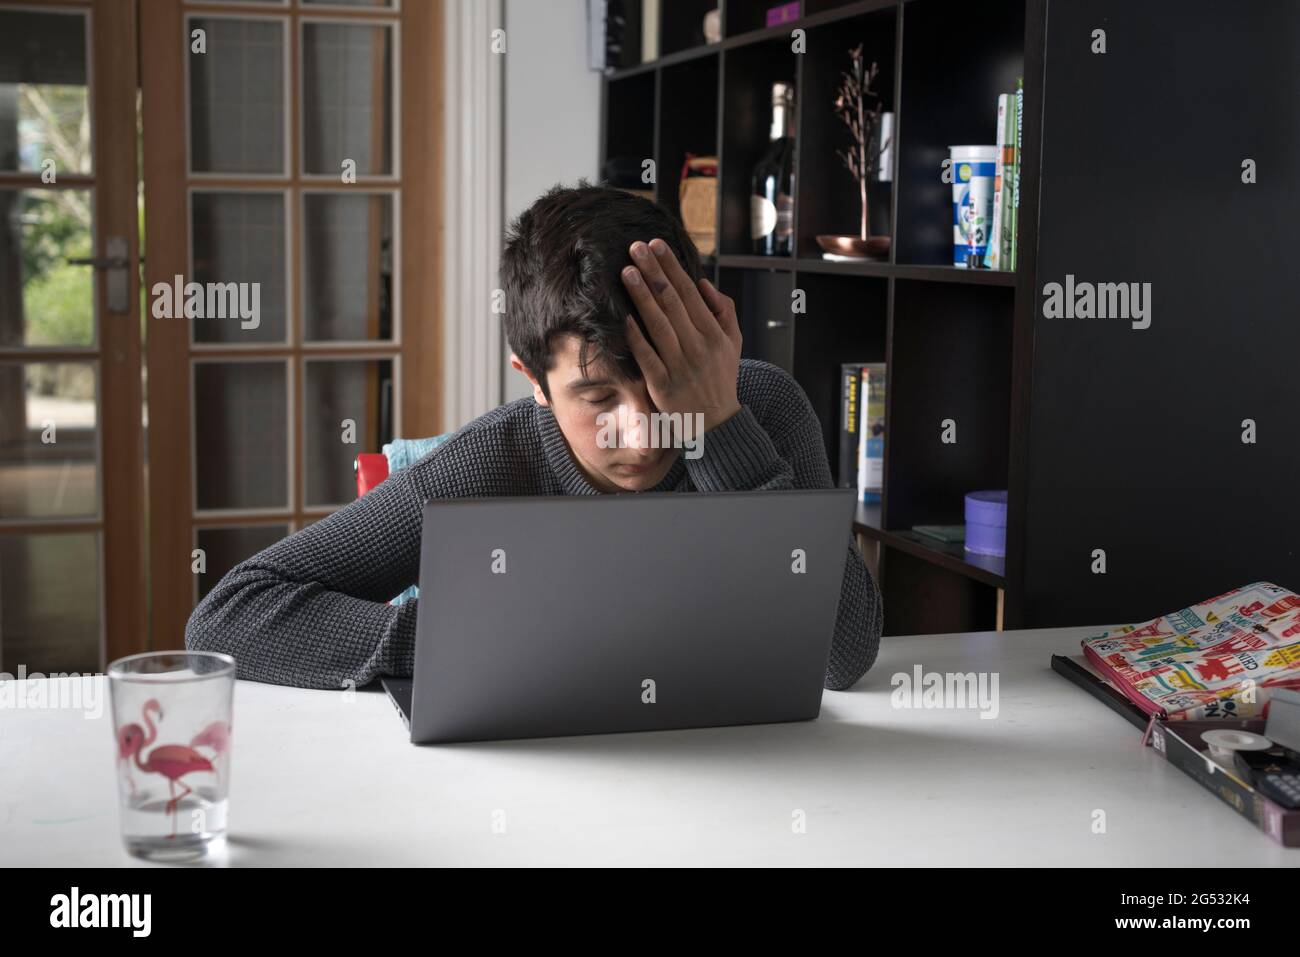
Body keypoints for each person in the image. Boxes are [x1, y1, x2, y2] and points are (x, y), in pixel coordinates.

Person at [184, 181, 883, 690]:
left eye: (663, 380)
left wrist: (722, 427)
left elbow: (844, 655)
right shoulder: (494, 458)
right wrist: (481, 638)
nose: (641, 433)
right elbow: (230, 613)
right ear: (534, 381)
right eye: (598, 395)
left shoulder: (761, 407)